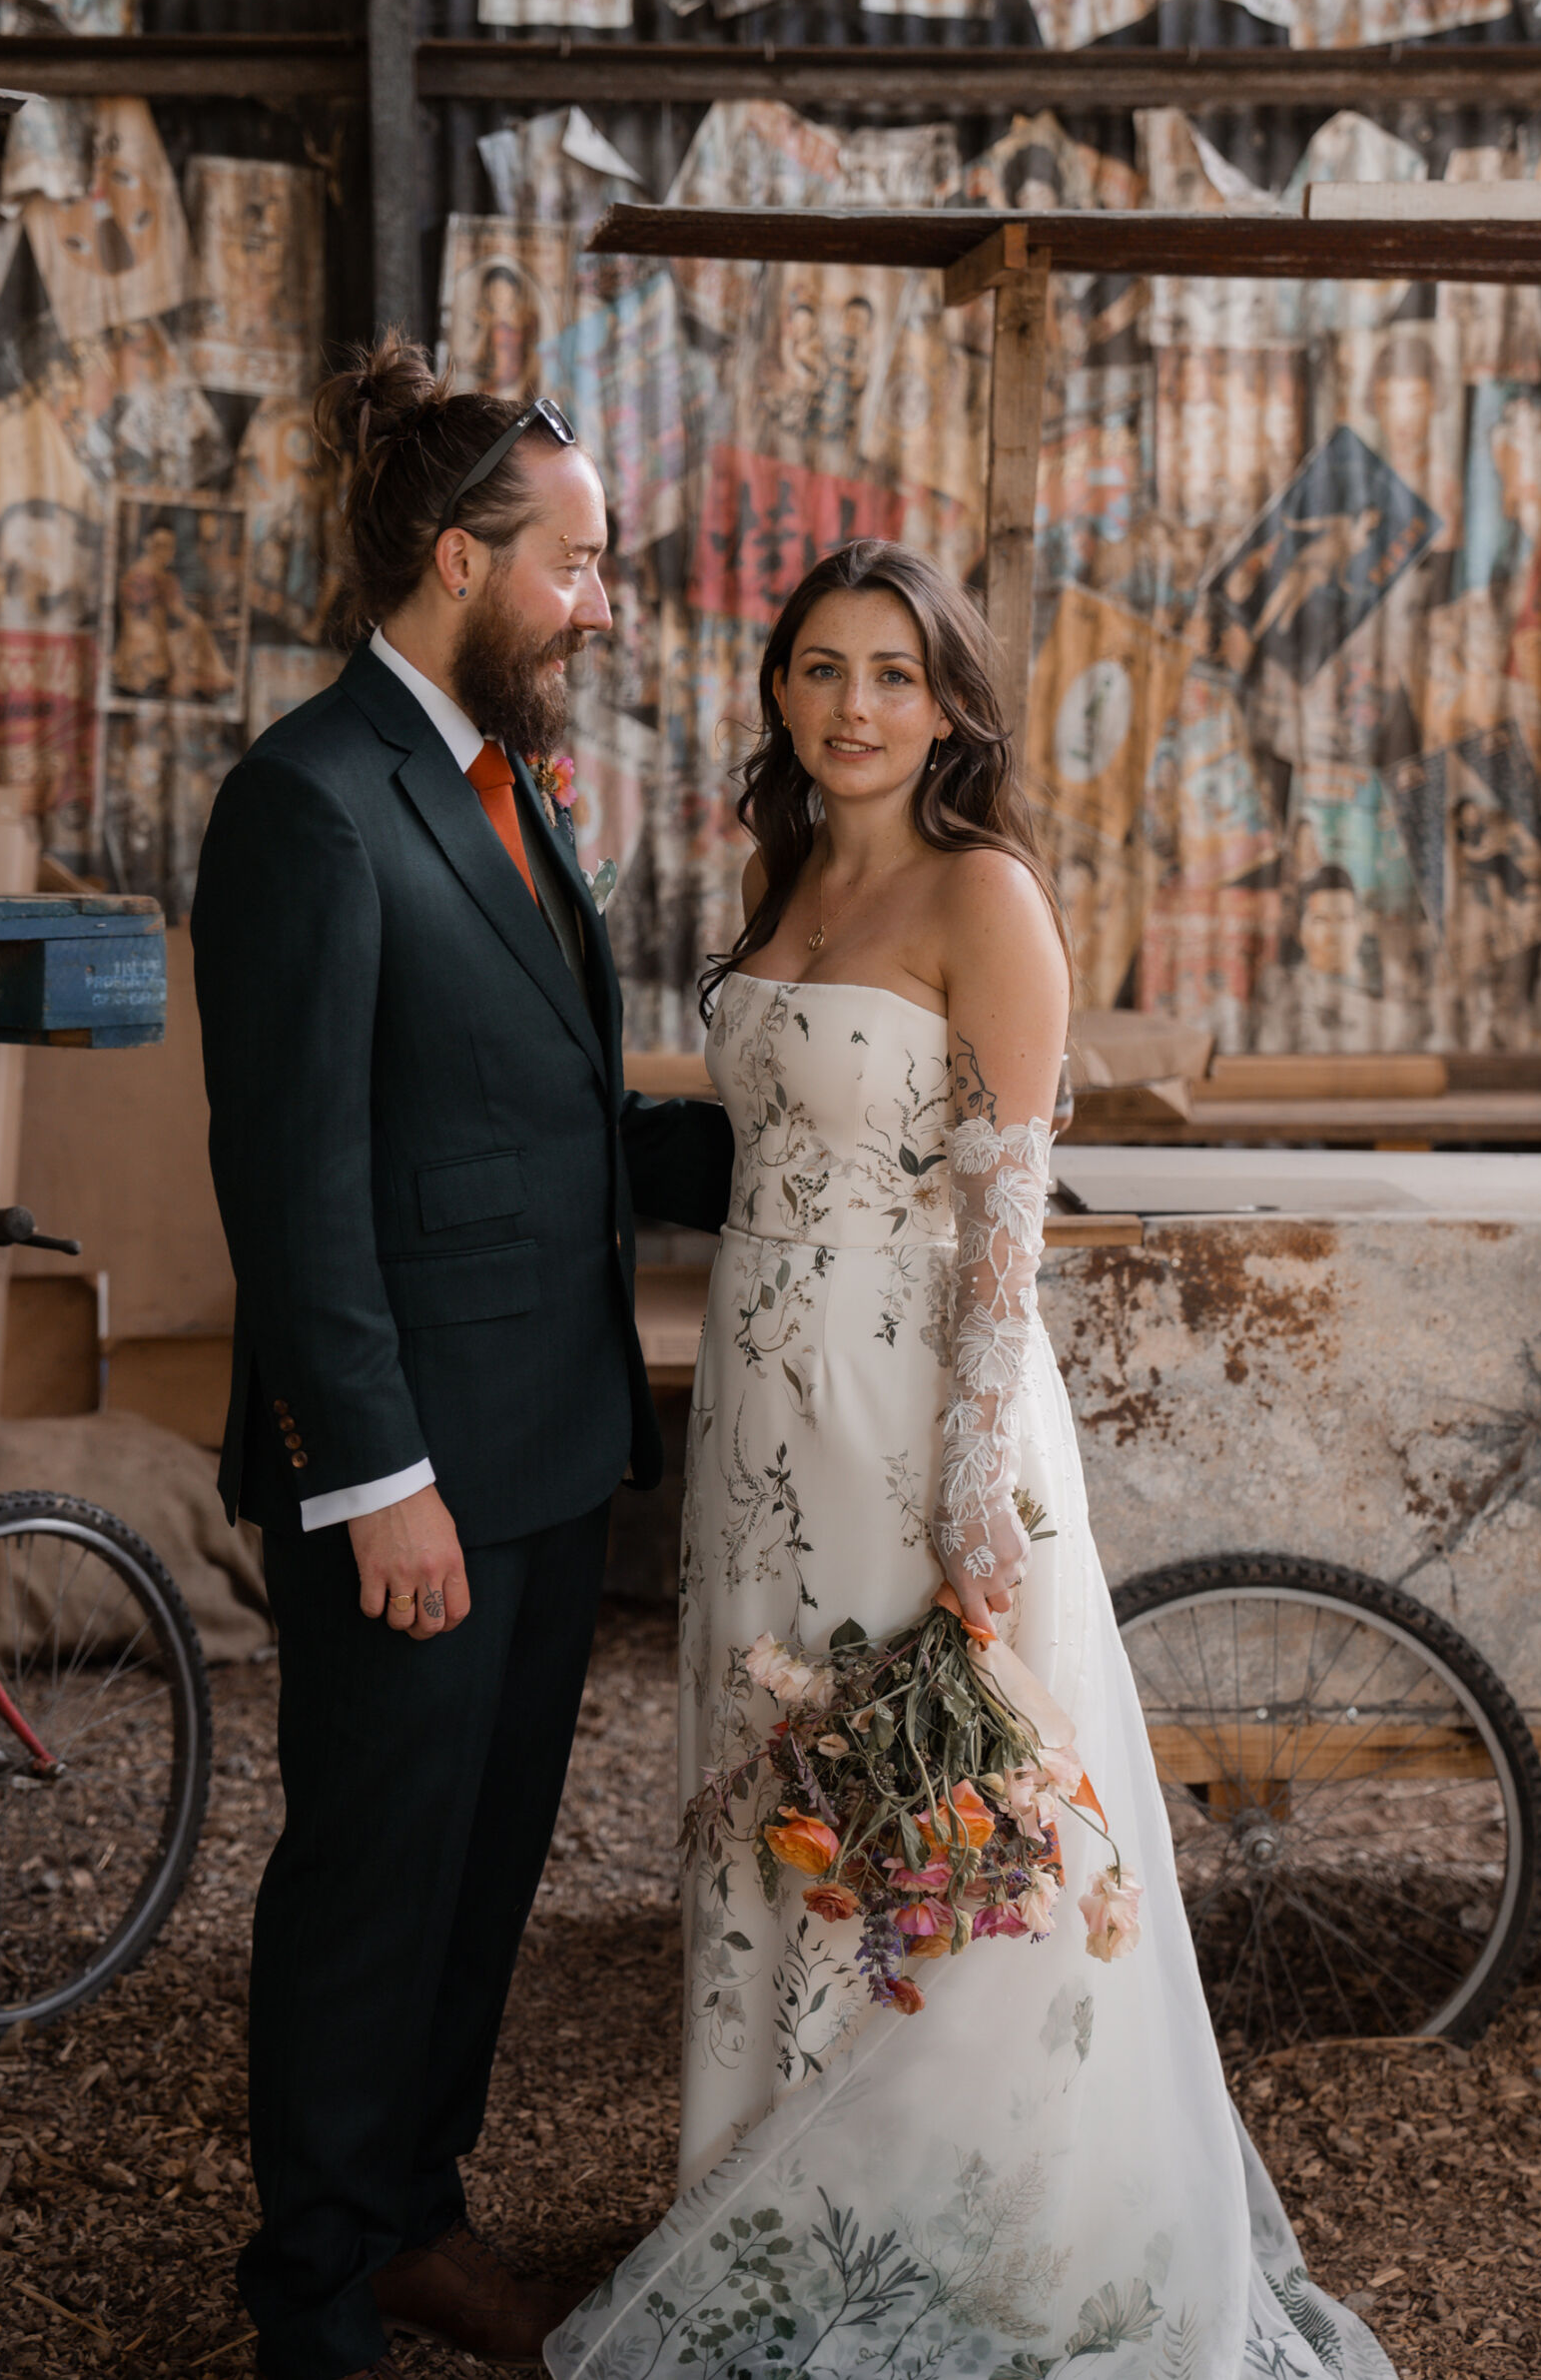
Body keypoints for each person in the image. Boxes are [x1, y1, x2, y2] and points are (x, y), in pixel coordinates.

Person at [546, 539, 1393, 2380]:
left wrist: (974, 1485)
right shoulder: (788, 880)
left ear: (946, 707)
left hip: (918, 1415)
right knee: (775, 1788)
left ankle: (977, 2247)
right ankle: (765, 2202)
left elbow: (1007, 1209)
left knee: (936, 1815)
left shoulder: (982, 893)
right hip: (765, 1425)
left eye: (894, 676)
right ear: (781, 689)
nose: (853, 705)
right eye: (822, 668)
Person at [191, 329, 735, 2380]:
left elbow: (528, 1118)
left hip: (541, 1449)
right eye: (574, 566)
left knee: (480, 1879)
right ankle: (311, 2294)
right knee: (368, 1889)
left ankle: (414, 2219)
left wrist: (775, 1128)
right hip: (406, 1476)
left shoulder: (498, 791)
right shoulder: (309, 806)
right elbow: (300, 1183)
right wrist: (375, 1474)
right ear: (450, 560)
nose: (601, 604)